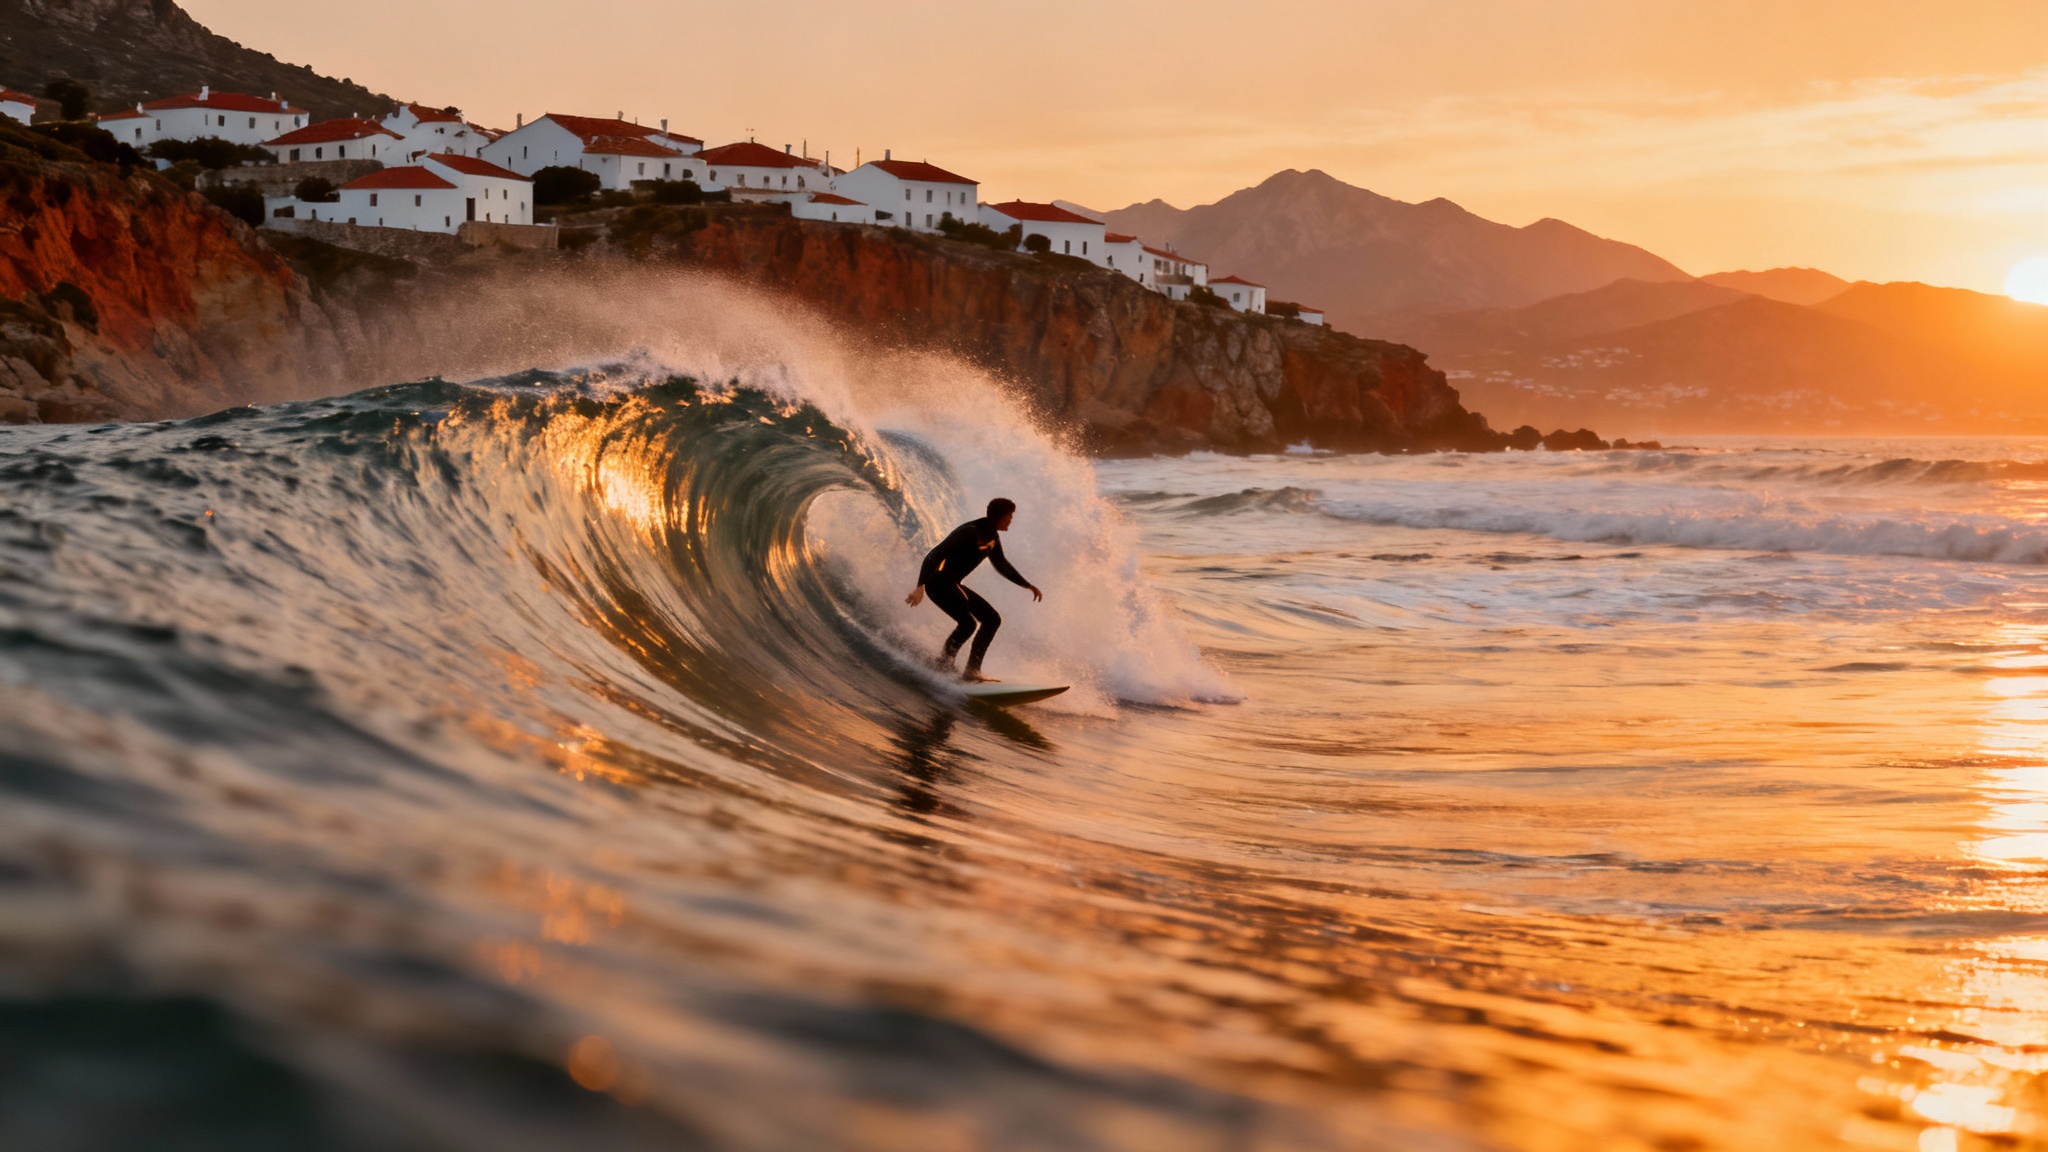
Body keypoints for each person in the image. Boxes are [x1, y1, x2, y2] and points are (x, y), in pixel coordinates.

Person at [906, 498, 1043, 682]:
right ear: (1001, 516)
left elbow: (1001, 564)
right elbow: (934, 555)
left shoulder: (992, 537)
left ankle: (972, 671)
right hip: (937, 582)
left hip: (952, 584)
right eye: (1010, 516)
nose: (1011, 520)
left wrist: (1027, 585)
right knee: (968, 624)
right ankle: (943, 664)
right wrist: (920, 586)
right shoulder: (970, 531)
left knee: (992, 619)